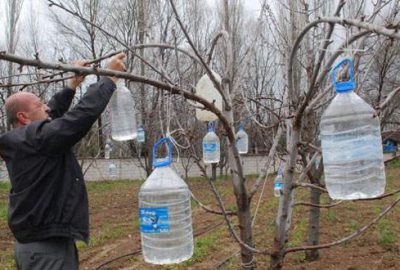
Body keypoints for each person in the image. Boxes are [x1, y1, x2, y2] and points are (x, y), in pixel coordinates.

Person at [0, 52, 127, 270]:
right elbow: (75, 121)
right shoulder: (36, 139)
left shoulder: (28, 141)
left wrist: (71, 86)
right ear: (23, 117)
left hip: (40, 246)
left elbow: (53, 116)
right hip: (45, 252)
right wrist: (107, 79)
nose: (47, 107)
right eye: (40, 104)